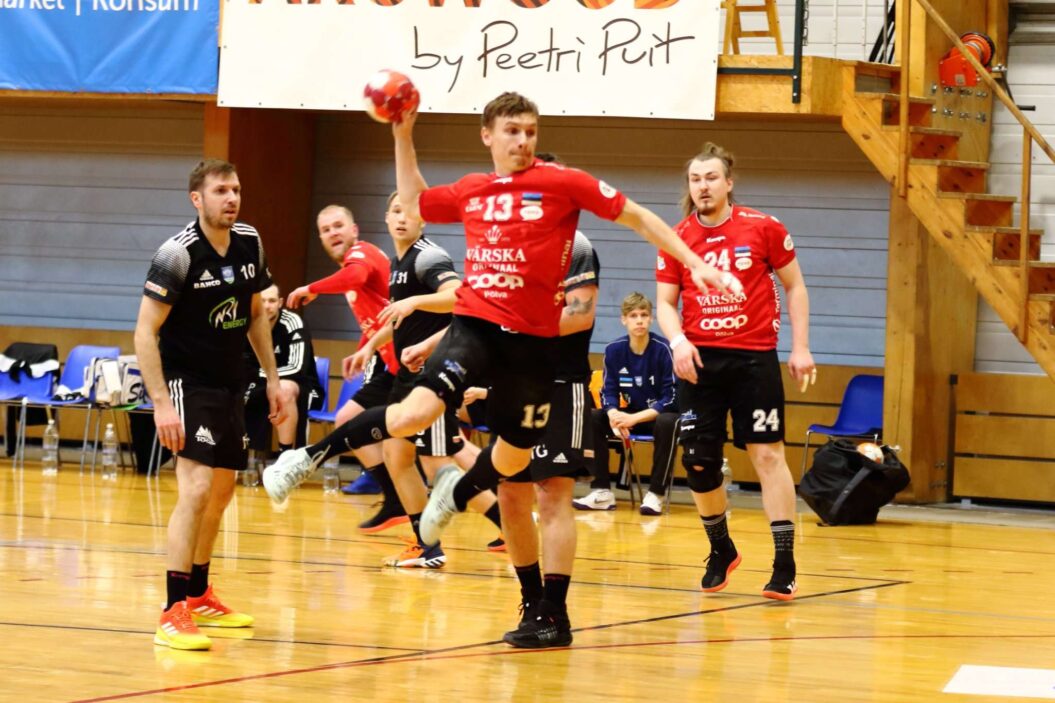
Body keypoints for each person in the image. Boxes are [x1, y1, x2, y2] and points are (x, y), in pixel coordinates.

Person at [263, 92, 732, 632]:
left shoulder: (564, 185)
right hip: (476, 327)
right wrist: (401, 133)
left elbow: (639, 217)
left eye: (530, 131)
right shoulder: (473, 189)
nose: (523, 140)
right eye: (512, 130)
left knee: (512, 462)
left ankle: (463, 500)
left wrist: (694, 262)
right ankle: (304, 458)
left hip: (533, 349)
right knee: (413, 414)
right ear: (487, 135)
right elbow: (414, 202)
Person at [134, 158, 289, 650]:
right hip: (187, 383)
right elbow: (144, 332)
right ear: (197, 199)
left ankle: (199, 593)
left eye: (236, 189)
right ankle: (172, 610)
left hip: (232, 382)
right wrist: (162, 403)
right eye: (221, 190)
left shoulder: (250, 242)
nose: (232, 198)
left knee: (221, 492)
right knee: (197, 487)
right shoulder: (176, 254)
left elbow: (255, 315)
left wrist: (272, 378)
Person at [656, 142, 814, 602]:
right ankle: (721, 548)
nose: (702, 186)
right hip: (699, 362)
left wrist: (800, 347)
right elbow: (665, 303)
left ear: (728, 183)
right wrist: (678, 342)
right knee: (698, 462)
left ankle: (784, 563)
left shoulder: (763, 227)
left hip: (753, 360)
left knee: (767, 456)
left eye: (711, 178)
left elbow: (795, 286)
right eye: (695, 179)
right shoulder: (677, 237)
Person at [345, 191, 503, 567]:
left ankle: (504, 525)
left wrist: (415, 302)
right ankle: (426, 543)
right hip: (409, 376)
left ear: (424, 220)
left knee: (437, 463)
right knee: (396, 454)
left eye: (410, 212)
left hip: (434, 377)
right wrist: (371, 347)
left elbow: (458, 296)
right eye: (396, 211)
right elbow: (403, 319)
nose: (402, 218)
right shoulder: (398, 263)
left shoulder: (428, 256)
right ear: (386, 218)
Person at [500, 227, 599, 648]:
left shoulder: (576, 245)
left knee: (551, 495)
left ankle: (555, 613)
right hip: (514, 385)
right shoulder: (504, 243)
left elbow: (581, 314)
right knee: (510, 494)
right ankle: (532, 603)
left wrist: (515, 327)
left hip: (560, 384)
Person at [286, 205, 407, 530]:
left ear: (354, 230)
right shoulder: (352, 267)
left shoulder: (361, 255)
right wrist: (365, 349)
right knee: (347, 420)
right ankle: (395, 500)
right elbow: (375, 317)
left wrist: (310, 288)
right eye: (326, 230)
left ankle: (494, 509)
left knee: (432, 451)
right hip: (393, 367)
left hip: (413, 365)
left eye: (338, 225)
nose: (333, 233)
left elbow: (355, 277)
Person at [574, 291, 678, 516]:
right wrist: (613, 414)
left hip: (656, 417)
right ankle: (602, 491)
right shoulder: (613, 350)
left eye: (644, 315)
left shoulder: (664, 350)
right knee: (593, 417)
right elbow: (608, 392)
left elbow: (670, 398)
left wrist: (633, 418)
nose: (639, 320)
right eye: (633, 316)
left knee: (668, 422)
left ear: (651, 318)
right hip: (629, 414)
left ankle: (656, 494)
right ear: (624, 320)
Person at [244, 284, 323, 454]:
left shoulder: (293, 322)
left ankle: (285, 455)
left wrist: (261, 376)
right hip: (257, 382)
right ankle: (236, 455)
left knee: (284, 390)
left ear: (280, 303)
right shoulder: (246, 322)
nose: (266, 306)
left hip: (299, 385)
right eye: (262, 301)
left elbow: (297, 368)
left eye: (272, 301)